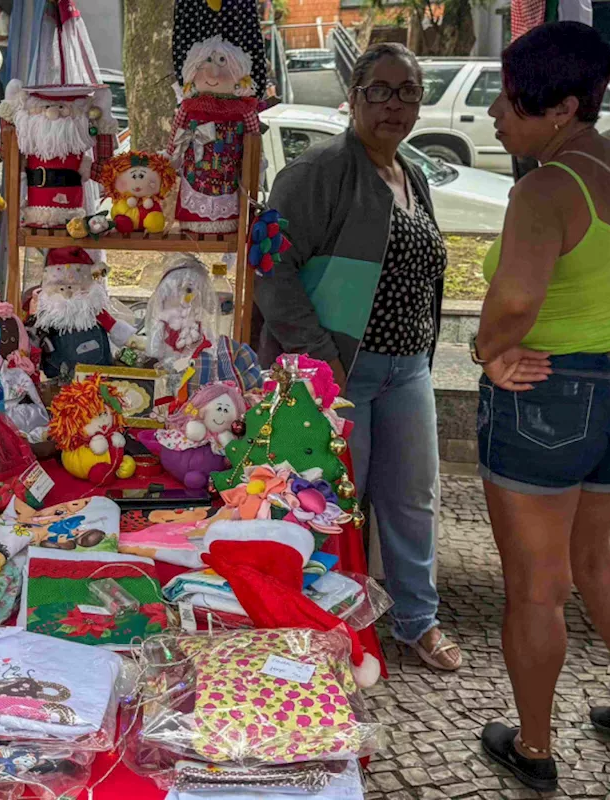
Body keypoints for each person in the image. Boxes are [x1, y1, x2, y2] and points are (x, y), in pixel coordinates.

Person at [253, 43, 460, 671]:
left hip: (408, 370)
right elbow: (268, 263)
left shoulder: (412, 175)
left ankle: (415, 621)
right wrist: (318, 356)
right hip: (341, 372)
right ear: (355, 94)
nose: (395, 104)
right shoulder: (318, 173)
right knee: (330, 504)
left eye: (409, 91)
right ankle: (327, 629)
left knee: (412, 498)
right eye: (381, 89)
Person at [472, 22, 610, 792]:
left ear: (562, 108)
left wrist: (485, 351)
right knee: (597, 558)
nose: (498, 115)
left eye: (511, 101)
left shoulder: (547, 187)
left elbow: (516, 299)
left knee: (539, 586)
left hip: (547, 393)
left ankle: (533, 747)